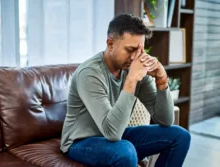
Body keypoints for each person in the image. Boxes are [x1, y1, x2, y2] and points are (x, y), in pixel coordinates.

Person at [60, 13, 191, 167]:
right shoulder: (89, 73)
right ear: (110, 44)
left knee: (180, 136)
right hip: (80, 142)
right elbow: (112, 133)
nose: (136, 57)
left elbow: (166, 120)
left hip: (116, 135)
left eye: (140, 50)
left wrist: (162, 81)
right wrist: (131, 80)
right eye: (130, 49)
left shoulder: (133, 68)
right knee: (125, 150)